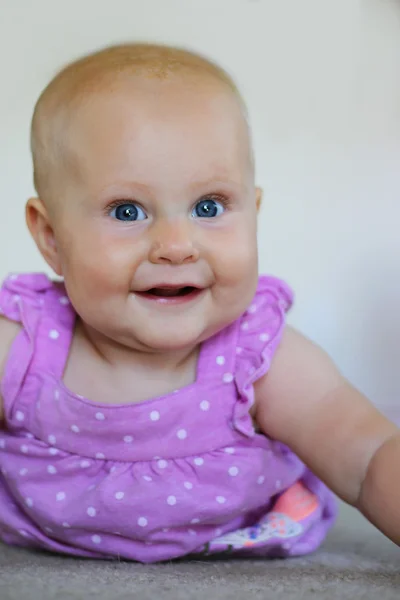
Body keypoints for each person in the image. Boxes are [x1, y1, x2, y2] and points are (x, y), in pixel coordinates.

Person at [0, 43, 398, 563]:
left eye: (209, 207)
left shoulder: (259, 358)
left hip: (240, 532)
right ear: (52, 237)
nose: (175, 245)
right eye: (126, 211)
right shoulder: (26, 345)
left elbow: (368, 456)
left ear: (253, 214)